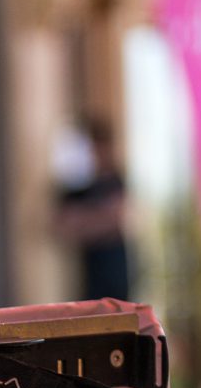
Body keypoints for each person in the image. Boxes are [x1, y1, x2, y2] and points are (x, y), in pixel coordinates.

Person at [54, 118, 139, 302]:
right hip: (90, 275)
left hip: (116, 271)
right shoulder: (77, 185)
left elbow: (117, 218)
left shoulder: (115, 180)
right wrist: (99, 219)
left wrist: (87, 221)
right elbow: (63, 225)